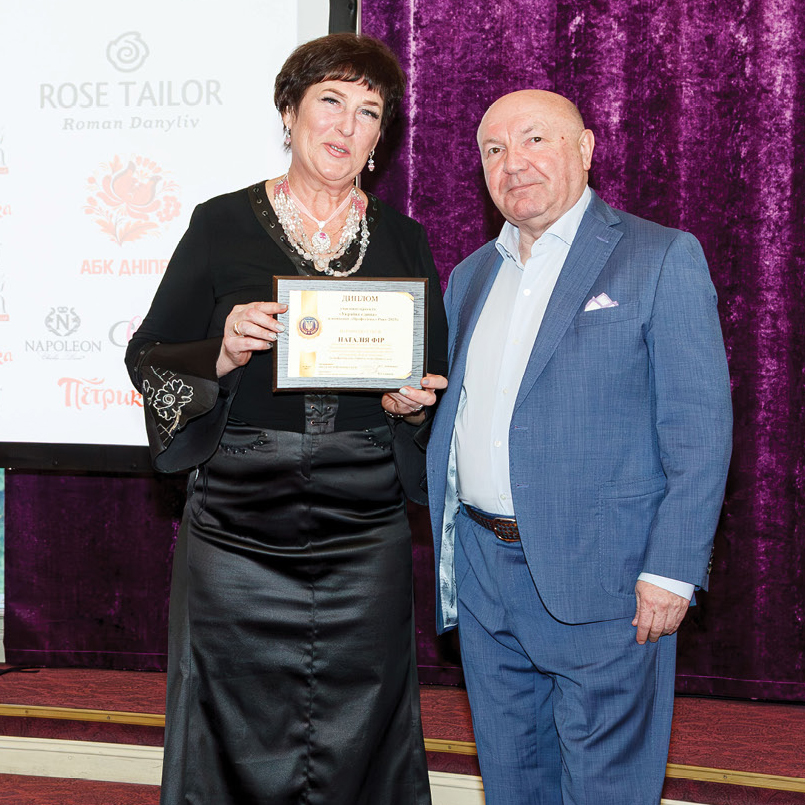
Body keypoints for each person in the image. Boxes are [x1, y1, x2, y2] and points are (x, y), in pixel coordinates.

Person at [125, 33, 447, 805]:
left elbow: (428, 379)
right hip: (239, 521)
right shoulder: (219, 224)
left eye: (367, 111)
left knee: (364, 724)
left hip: (363, 524)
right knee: (228, 723)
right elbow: (148, 357)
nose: (345, 124)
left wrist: (410, 407)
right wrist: (222, 350)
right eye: (329, 100)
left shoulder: (404, 239)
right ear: (288, 112)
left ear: (379, 137)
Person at [426, 89, 732, 804]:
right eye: (494, 149)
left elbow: (699, 428)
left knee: (606, 789)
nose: (513, 162)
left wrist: (672, 569)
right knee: (512, 782)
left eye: (534, 139)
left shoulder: (660, 255)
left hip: (609, 581)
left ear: (586, 148)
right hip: (484, 576)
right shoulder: (470, 275)